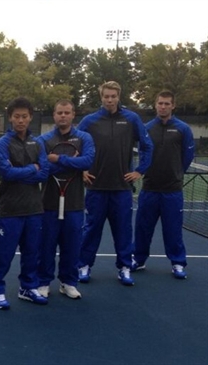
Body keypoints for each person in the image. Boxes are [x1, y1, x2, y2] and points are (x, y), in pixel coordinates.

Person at [77, 81, 153, 286]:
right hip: (95, 188)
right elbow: (74, 144)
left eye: (113, 96)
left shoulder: (131, 119)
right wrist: (81, 169)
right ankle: (84, 265)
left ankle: (125, 267)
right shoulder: (89, 121)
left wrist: (139, 170)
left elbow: (147, 145)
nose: (109, 100)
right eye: (106, 96)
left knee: (123, 231)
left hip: (121, 189)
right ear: (101, 97)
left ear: (119, 96)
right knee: (91, 229)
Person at [0, 97, 49, 309]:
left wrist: (25, 172)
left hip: (34, 208)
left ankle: (28, 287)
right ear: (10, 118)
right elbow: (7, 172)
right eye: (16, 117)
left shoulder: (38, 143)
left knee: (32, 252)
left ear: (30, 118)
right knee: (2, 254)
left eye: (24, 116)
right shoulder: (2, 143)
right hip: (10, 209)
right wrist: (33, 169)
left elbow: (45, 173)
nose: (20, 120)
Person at [132, 91, 195, 279]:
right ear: (155, 105)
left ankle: (177, 263)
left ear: (173, 106)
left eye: (167, 103)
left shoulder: (183, 129)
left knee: (173, 229)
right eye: (160, 103)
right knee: (143, 227)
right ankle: (139, 259)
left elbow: (187, 157)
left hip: (172, 191)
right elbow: (143, 155)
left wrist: (176, 174)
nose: (163, 106)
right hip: (150, 188)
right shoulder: (147, 128)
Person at [37, 100, 94, 300]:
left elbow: (88, 161)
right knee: (46, 245)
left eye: (66, 112)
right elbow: (44, 168)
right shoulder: (43, 140)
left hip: (75, 204)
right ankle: (43, 282)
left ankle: (68, 282)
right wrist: (73, 162)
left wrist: (60, 159)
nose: (63, 115)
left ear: (73, 115)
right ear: (54, 115)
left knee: (72, 245)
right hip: (48, 203)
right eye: (59, 112)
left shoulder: (84, 138)